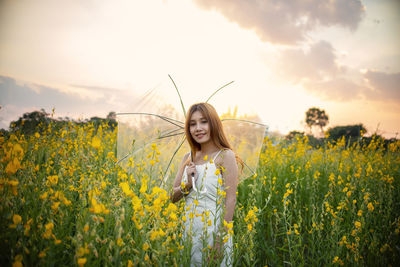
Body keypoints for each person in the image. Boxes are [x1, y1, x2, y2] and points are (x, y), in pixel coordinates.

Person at [171, 103, 239, 267]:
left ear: (213, 123)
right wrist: (187, 184)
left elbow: (230, 200)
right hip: (188, 232)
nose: (198, 128)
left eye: (203, 122)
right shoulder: (188, 157)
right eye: (192, 124)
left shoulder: (225, 156)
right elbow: (172, 197)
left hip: (214, 233)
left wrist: (219, 242)